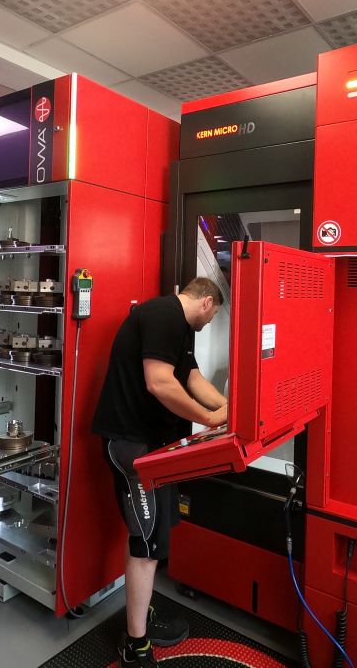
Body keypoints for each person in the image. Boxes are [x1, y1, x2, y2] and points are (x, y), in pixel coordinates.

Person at [92, 277, 229, 667]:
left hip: (153, 446)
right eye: (213, 316)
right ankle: (135, 646)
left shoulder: (180, 327)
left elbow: (192, 378)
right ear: (206, 302)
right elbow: (159, 383)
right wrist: (209, 419)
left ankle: (142, 618)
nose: (210, 322)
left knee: (149, 537)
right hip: (131, 446)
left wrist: (230, 409)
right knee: (146, 546)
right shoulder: (163, 314)